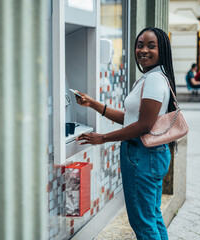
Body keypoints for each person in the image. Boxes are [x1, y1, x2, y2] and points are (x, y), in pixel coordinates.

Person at [74, 27, 174, 240]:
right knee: (152, 217)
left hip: (142, 156)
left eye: (151, 46)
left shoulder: (154, 80)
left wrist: (103, 138)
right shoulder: (154, 76)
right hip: (151, 155)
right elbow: (132, 119)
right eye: (140, 45)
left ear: (162, 49)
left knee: (143, 223)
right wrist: (93, 104)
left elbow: (144, 125)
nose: (143, 50)